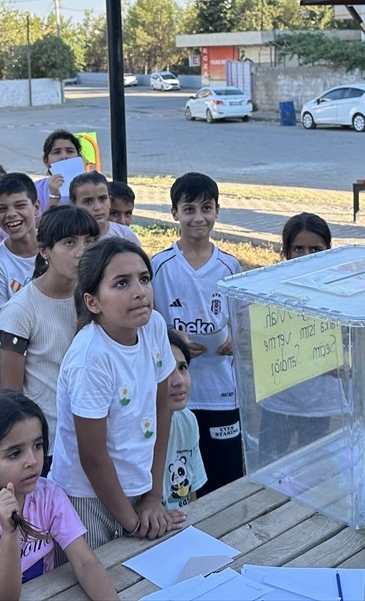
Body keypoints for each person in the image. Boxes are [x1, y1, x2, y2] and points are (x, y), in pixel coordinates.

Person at [48, 240, 185, 548]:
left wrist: (152, 496)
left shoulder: (154, 327)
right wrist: (133, 522)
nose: (139, 291)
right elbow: (93, 457)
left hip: (139, 485)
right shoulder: (90, 359)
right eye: (122, 283)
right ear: (93, 302)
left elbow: (161, 409)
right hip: (86, 500)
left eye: (144, 279)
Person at [0, 389, 118, 601]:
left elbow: (85, 562)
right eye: (15, 453)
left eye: (38, 445)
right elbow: (3, 598)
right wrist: (9, 533)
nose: (32, 461)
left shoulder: (47, 495)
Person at [150, 172, 243, 494]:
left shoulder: (230, 267)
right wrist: (175, 339)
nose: (198, 217)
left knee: (227, 475)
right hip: (176, 395)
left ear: (217, 211)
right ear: (175, 213)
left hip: (222, 393)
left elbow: (241, 323)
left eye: (206, 208)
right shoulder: (159, 266)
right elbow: (149, 323)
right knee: (182, 480)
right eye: (189, 209)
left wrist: (233, 341)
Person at [0, 205, 100, 463]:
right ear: (45, 251)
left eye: (89, 241)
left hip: (97, 430)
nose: (82, 252)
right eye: (69, 242)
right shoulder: (20, 309)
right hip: (51, 444)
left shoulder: (97, 298)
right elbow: (11, 394)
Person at [257, 213, 344, 460]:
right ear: (286, 251)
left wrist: (336, 361)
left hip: (319, 403)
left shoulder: (339, 290)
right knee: (270, 462)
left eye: (315, 249)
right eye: (298, 249)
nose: (306, 256)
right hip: (279, 402)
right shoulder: (268, 289)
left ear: (329, 249)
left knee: (314, 465)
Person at [0, 173, 42, 389]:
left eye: (19, 205)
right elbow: (4, 325)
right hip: (23, 356)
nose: (11, 214)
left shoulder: (57, 248)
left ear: (36, 207)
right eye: (2, 208)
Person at [163, 330, 206, 509]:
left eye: (182, 367)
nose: (179, 381)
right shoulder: (133, 432)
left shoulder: (187, 420)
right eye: (166, 371)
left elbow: (191, 496)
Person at [69, 172, 140, 246]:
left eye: (103, 199)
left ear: (109, 199)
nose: (98, 207)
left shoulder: (124, 234)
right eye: (88, 201)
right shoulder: (67, 236)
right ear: (74, 204)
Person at [34, 130, 81, 213]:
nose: (64, 156)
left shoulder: (92, 184)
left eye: (70, 151)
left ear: (79, 157)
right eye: (57, 152)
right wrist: (54, 197)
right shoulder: (36, 189)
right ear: (46, 160)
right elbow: (34, 223)